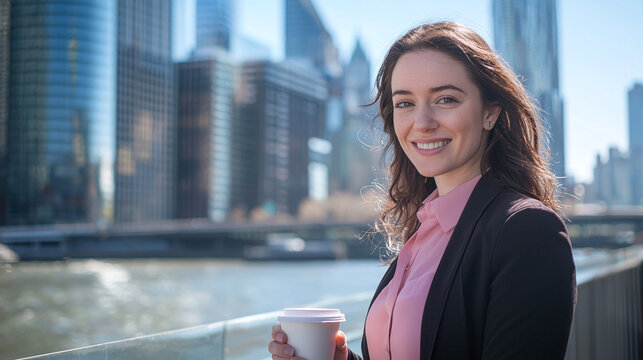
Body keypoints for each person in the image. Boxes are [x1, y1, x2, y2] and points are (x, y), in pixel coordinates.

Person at [268, 21, 576, 360]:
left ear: (490, 112)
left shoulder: (527, 230)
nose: (423, 122)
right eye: (405, 103)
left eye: (445, 99)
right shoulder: (421, 230)